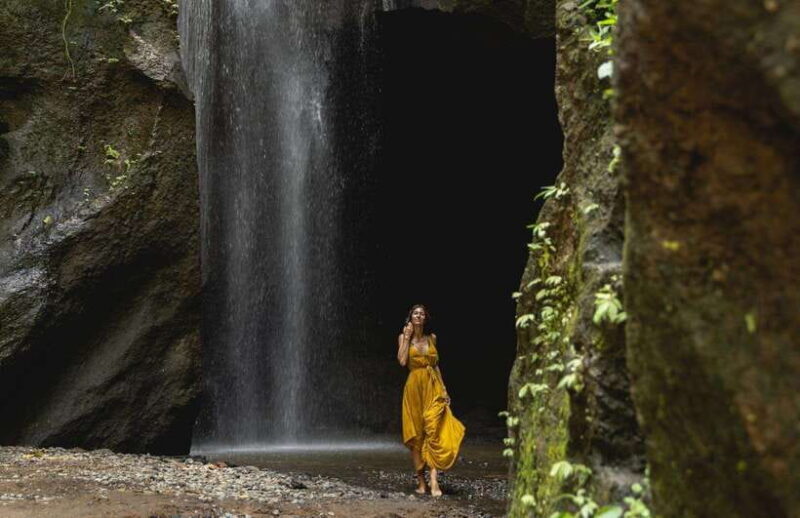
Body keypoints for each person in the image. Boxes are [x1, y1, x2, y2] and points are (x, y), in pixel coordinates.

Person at [397, 304, 465, 497]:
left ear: (425, 318)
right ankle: (421, 482)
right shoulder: (403, 338)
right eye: (415, 313)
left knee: (433, 430)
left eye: (421, 314)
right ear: (410, 318)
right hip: (413, 389)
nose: (418, 316)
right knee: (416, 434)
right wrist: (407, 338)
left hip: (433, 387)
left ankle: (434, 481)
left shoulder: (432, 338)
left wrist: (444, 389)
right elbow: (402, 361)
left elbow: (435, 366)